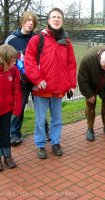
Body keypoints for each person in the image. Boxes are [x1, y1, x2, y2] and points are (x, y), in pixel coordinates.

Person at [24, 8, 77, 159]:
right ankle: (40, 144)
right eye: (53, 17)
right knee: (40, 119)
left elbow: (71, 65)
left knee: (57, 119)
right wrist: (37, 79)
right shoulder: (37, 39)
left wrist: (72, 84)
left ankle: (55, 142)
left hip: (58, 88)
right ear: (48, 20)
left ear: (62, 21)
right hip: (42, 87)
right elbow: (29, 61)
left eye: (59, 17)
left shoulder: (66, 43)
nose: (56, 19)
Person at [5, 11, 50, 146]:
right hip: (21, 80)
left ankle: (45, 131)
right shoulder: (11, 39)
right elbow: (6, 58)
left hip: (35, 79)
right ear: (22, 21)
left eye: (33, 21)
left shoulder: (36, 38)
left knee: (40, 106)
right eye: (28, 20)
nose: (30, 23)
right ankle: (14, 134)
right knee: (19, 106)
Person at [0, 44, 22, 171]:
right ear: (4, 60)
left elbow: (17, 90)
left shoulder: (13, 71)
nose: (14, 63)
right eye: (12, 61)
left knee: (5, 134)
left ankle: (7, 156)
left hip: (7, 110)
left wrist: (16, 108)